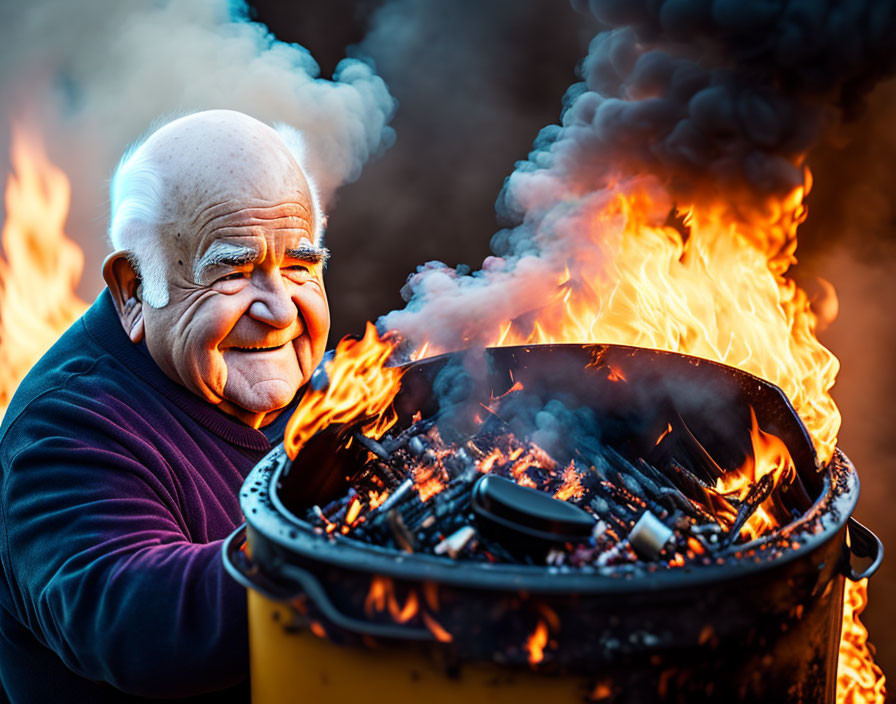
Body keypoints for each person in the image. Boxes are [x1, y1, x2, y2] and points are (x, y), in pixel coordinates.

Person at [0, 110, 331, 702]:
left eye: (301, 266)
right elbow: (136, 621)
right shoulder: (66, 427)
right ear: (133, 289)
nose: (281, 310)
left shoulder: (306, 384)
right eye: (233, 271)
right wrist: (353, 544)